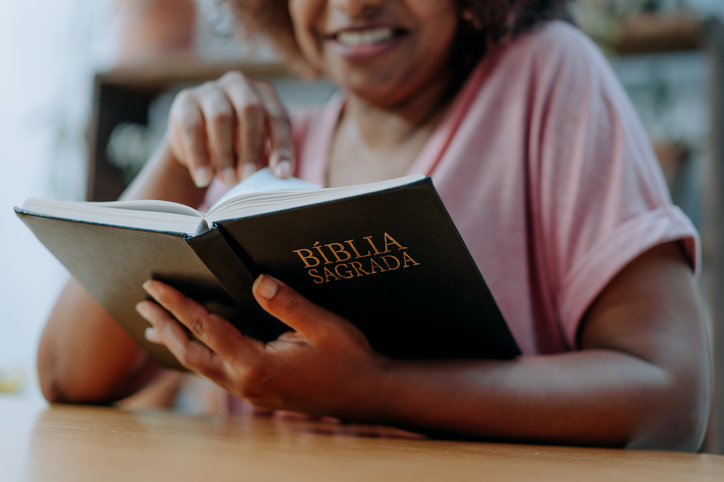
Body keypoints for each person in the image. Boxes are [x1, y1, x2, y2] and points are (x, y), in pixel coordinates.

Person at [38, 0, 711, 451]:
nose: (354, 4)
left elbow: (671, 398)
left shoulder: (545, 78)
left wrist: (376, 388)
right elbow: (68, 377)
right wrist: (177, 159)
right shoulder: (266, 157)